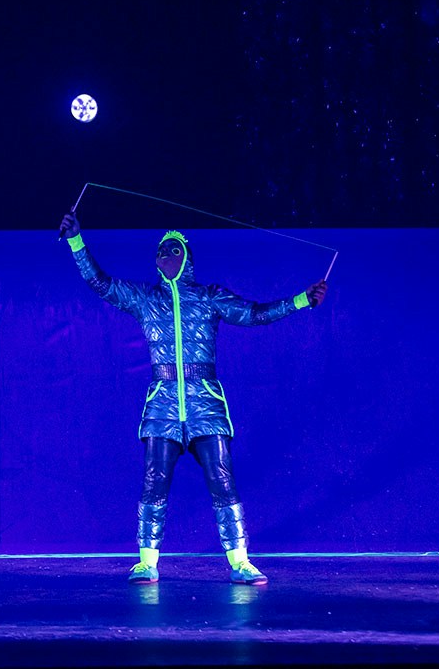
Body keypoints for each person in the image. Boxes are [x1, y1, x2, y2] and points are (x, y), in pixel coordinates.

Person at [60, 212, 326, 584]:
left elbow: (253, 314)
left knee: (222, 478)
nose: (163, 257)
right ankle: (147, 562)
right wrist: (77, 241)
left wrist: (301, 300)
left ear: (185, 257)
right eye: (159, 253)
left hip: (205, 405)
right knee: (154, 479)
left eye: (171, 251)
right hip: (162, 405)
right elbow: (99, 283)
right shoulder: (144, 299)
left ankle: (240, 562)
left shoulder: (209, 297)